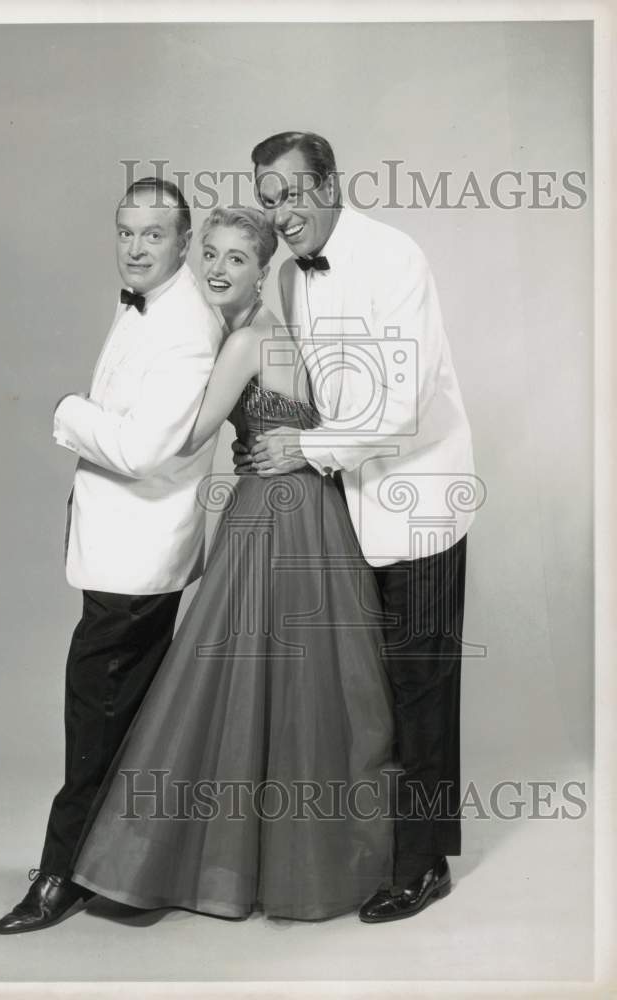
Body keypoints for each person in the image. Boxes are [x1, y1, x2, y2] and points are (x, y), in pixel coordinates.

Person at [68, 206, 396, 921]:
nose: (215, 268)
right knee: (292, 685)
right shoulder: (273, 332)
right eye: (210, 254)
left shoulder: (247, 342)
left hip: (272, 518)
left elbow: (185, 435)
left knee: (232, 679)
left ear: (262, 269)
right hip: (310, 512)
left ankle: (183, 865)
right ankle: (278, 862)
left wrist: (100, 414)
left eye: (235, 259)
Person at [243, 131, 476, 922]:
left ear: (331, 185)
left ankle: (422, 863)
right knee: (370, 685)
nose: (282, 212)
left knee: (421, 681)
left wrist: (304, 447)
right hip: (348, 503)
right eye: (268, 200)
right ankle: (384, 845)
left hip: (421, 498)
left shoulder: (395, 256)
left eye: (292, 193)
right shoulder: (287, 277)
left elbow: (403, 407)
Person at [0, 177, 224, 935]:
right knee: (124, 723)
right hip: (127, 549)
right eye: (125, 232)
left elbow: (143, 449)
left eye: (152, 235)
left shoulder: (186, 325)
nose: (134, 247)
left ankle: (58, 878)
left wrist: (66, 412)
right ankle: (117, 872)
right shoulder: (147, 302)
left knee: (94, 727)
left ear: (184, 242)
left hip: (138, 558)